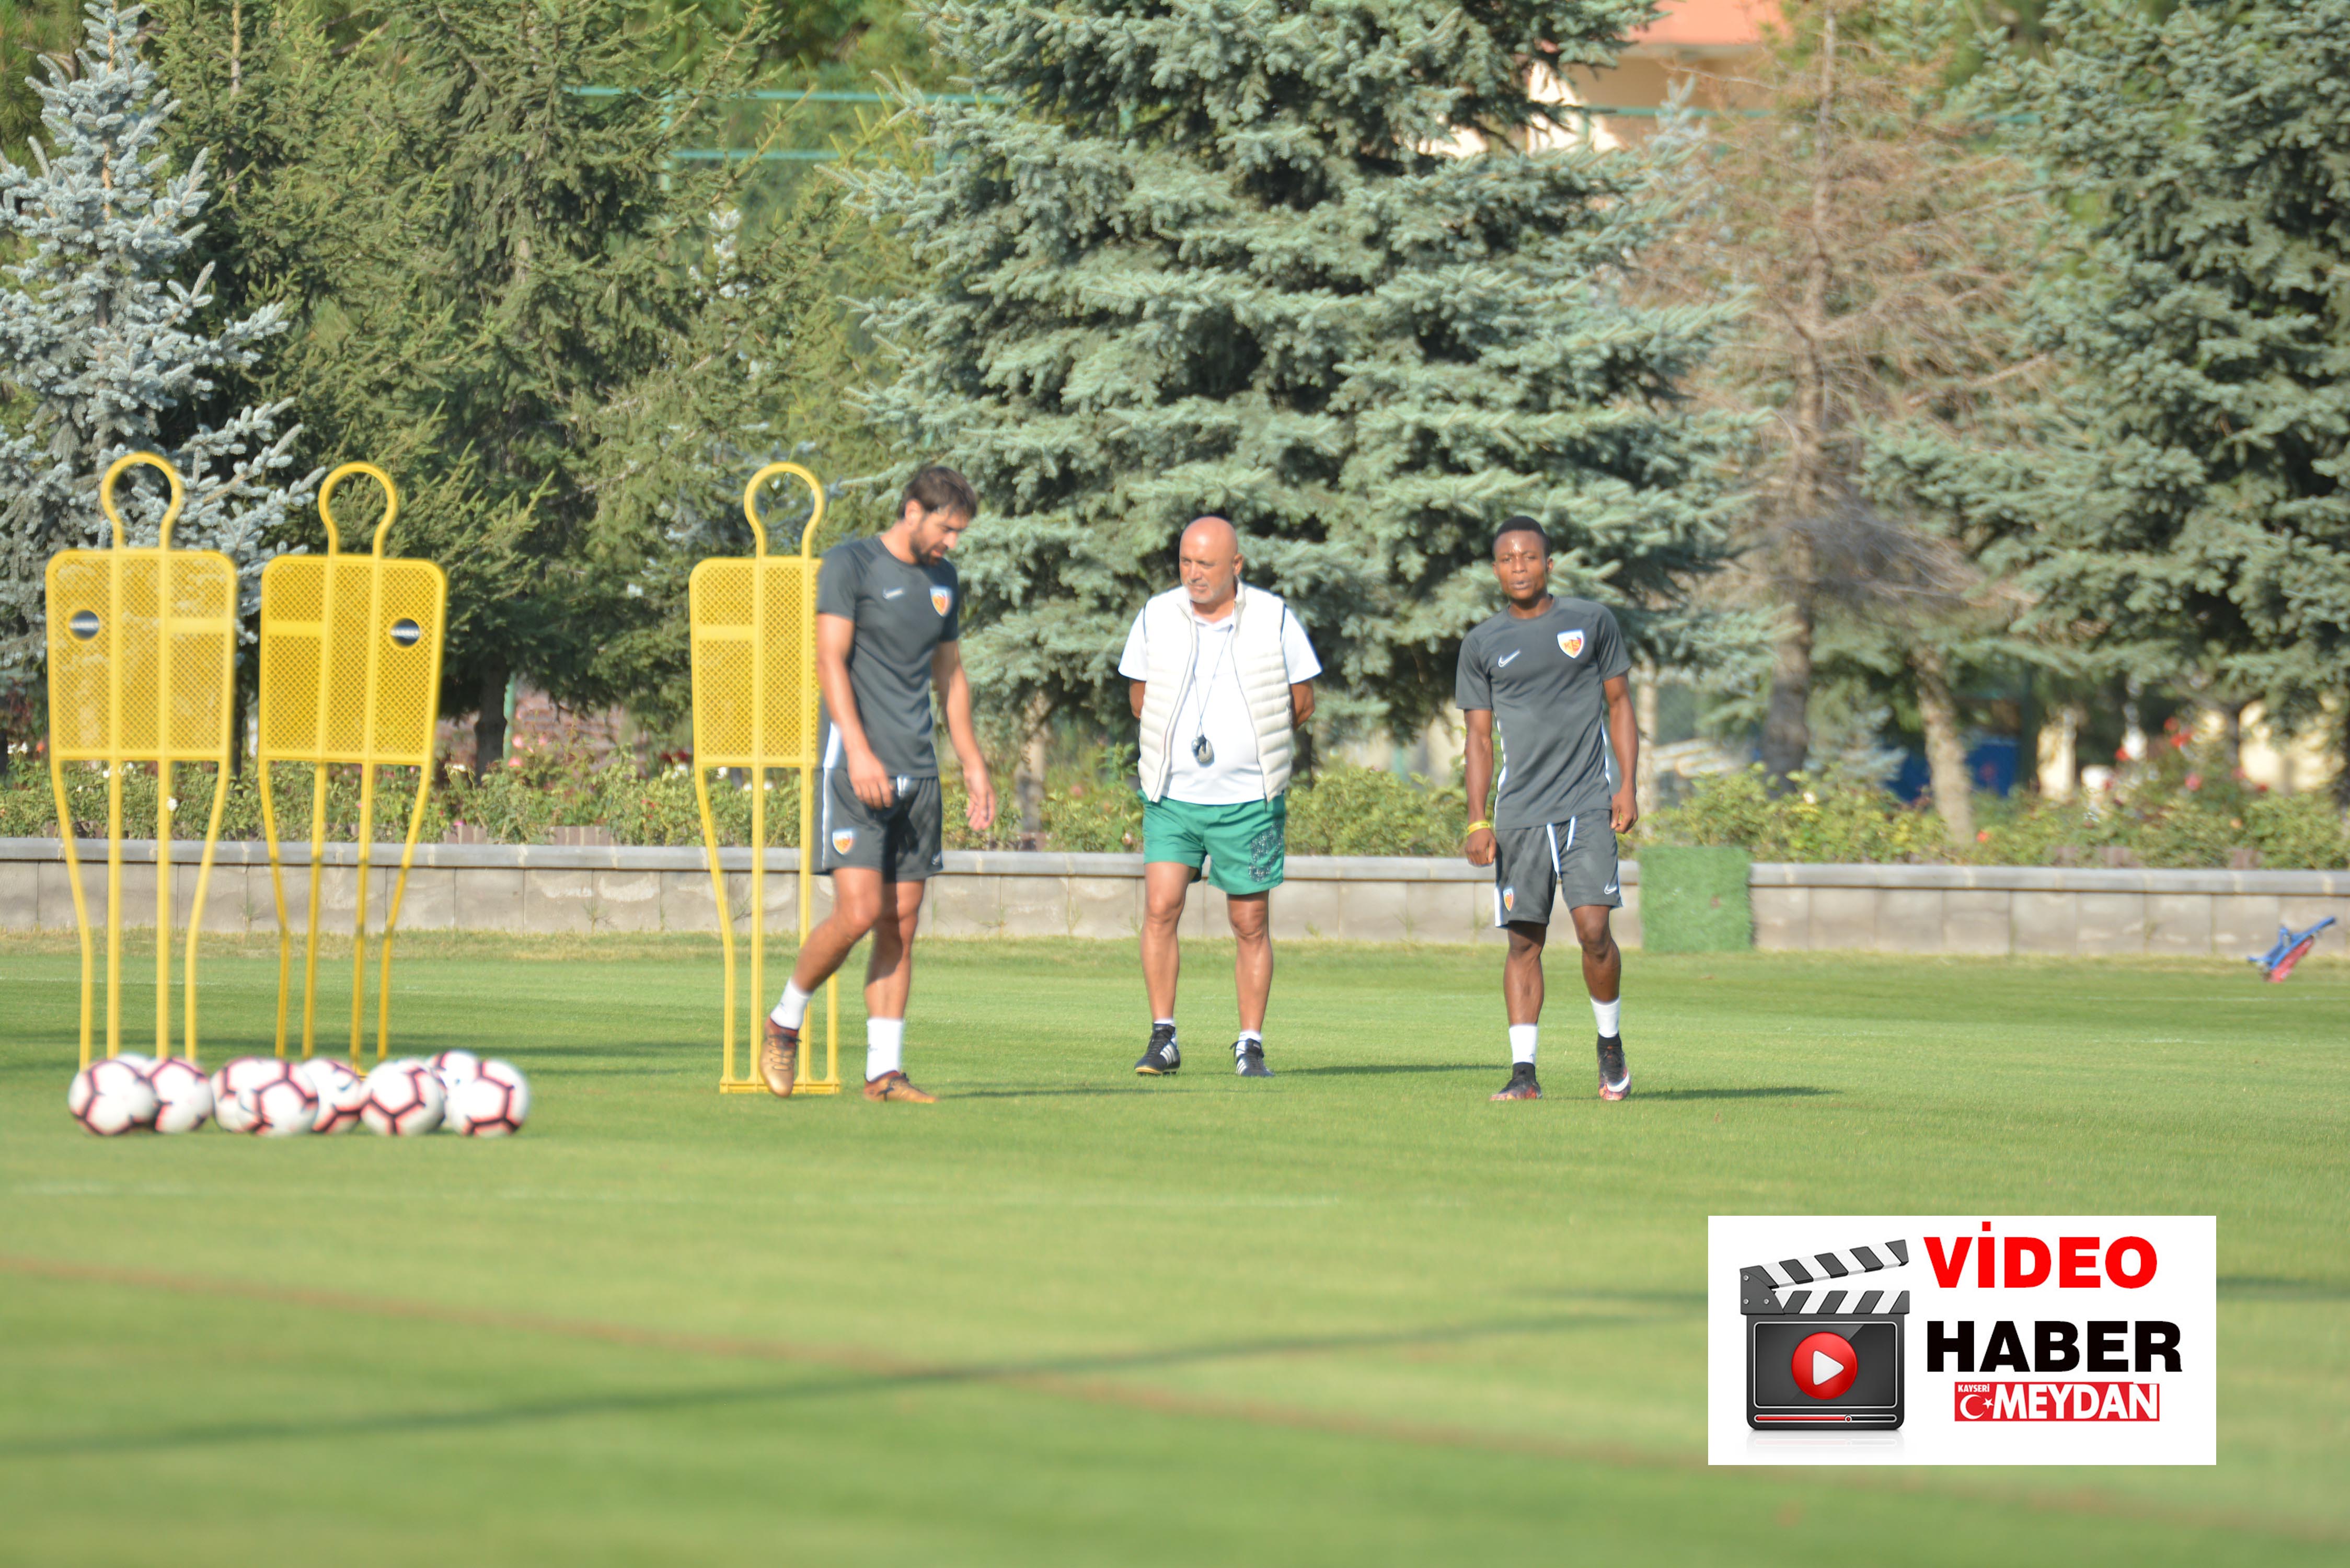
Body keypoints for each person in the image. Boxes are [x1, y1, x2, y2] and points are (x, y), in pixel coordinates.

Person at [763, 466, 996, 1103]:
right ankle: (784, 1020)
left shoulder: (945, 580)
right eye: (947, 529)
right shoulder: (851, 565)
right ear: (913, 510)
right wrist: (860, 753)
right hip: (853, 767)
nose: (952, 543)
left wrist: (971, 762)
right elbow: (828, 662)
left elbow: (949, 677)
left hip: (918, 773)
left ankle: (883, 1073)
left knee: (902, 922)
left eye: (959, 532)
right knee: (859, 913)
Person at [1120, 516, 1321, 1078]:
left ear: (1236, 565)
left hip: (1249, 802)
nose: (1193, 574)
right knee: (1160, 908)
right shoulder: (1157, 615)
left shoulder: (1274, 617)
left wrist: (1249, 749)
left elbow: (1301, 702)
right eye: (1185, 562)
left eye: (1205, 564)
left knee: (1249, 924)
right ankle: (1163, 1038)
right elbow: (1139, 697)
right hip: (1173, 796)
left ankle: (1249, 1044)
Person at [1456, 516, 1638, 1102]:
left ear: (1548, 564)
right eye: (1507, 559)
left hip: (1586, 803)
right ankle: (1523, 1073)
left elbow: (1620, 705)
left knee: (1593, 932)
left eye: (1528, 558)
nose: (1518, 568)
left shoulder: (1590, 622)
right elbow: (1478, 740)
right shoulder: (1481, 643)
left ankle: (1608, 1044)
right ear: (1495, 569)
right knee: (1522, 942)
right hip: (1520, 814)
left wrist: (1626, 786)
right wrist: (1477, 819)